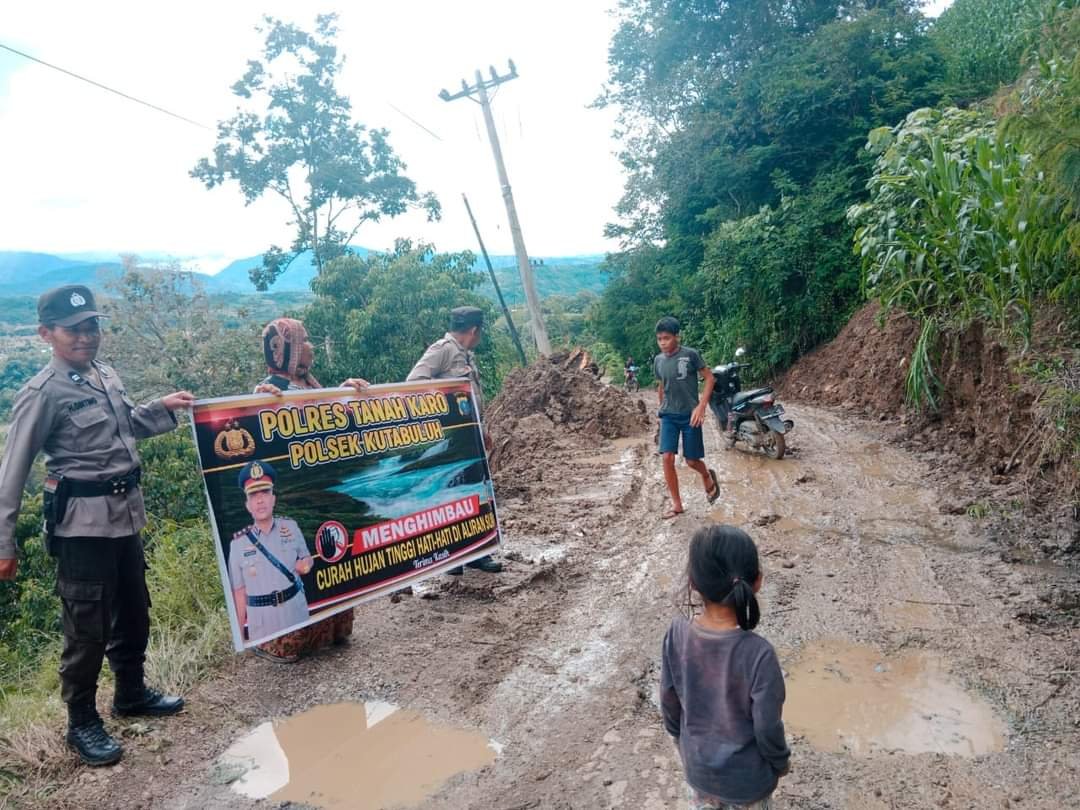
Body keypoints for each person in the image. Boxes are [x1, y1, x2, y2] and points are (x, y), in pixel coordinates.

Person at [0, 285, 193, 767]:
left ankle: (131, 693)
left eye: (93, 327)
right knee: (86, 627)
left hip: (125, 514)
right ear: (47, 334)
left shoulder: (104, 374)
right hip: (81, 527)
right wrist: (4, 542)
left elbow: (128, 425)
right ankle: (82, 722)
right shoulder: (42, 392)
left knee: (133, 608)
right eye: (74, 330)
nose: (87, 337)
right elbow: (13, 470)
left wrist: (163, 408)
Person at [249, 317, 368, 662]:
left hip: (325, 493)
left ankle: (330, 631)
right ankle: (284, 641)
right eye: (305, 341)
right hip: (297, 497)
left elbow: (329, 424)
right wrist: (256, 406)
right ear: (286, 349)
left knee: (330, 557)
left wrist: (348, 393)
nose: (311, 347)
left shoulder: (309, 386)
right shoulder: (266, 392)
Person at [661, 525, 790, 809]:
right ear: (757, 581)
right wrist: (781, 763)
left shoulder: (676, 633)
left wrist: (681, 742)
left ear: (694, 583)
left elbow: (669, 701)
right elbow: (767, 727)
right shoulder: (759, 654)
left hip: (698, 771)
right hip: (749, 782)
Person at [406, 306, 501, 575]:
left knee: (475, 494)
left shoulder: (466, 356)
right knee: (452, 495)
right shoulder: (442, 350)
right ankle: (453, 557)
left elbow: (473, 399)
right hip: (453, 440)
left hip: (472, 439)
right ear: (474, 330)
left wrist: (481, 430)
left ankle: (478, 552)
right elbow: (414, 383)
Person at [228, 460, 313, 645]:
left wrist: (305, 565)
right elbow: (239, 593)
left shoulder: (291, 526)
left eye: (265, 492)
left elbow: (307, 558)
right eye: (253, 495)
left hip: (295, 613)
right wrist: (240, 635)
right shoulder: (237, 545)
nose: (260, 500)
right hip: (263, 624)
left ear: (273, 498)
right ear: (248, 505)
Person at [653, 316, 719, 518]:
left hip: (690, 415)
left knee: (691, 461)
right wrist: (661, 408)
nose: (663, 342)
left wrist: (701, 406)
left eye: (666, 338)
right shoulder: (658, 360)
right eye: (659, 339)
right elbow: (662, 385)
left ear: (677, 337)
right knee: (667, 457)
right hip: (669, 416)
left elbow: (709, 378)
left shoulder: (690, 355)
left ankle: (707, 475)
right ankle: (677, 504)